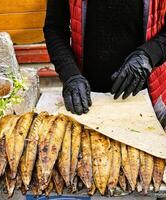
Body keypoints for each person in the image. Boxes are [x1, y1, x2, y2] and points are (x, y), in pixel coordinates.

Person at [44, 0, 166, 129]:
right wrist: (70, 74)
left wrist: (149, 54)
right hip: (87, 98)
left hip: (147, 95)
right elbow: (54, 28)